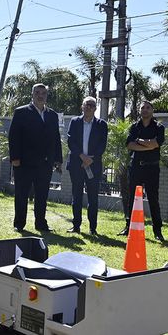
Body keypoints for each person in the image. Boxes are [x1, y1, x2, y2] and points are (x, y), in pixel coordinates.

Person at [8, 83, 63, 233]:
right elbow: (13, 137)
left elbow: (56, 137)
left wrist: (58, 159)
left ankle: (41, 224)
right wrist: (15, 157)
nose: (40, 95)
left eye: (43, 93)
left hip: (45, 163)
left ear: (46, 96)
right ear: (32, 94)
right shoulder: (21, 112)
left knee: (42, 195)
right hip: (24, 162)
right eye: (37, 93)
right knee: (21, 194)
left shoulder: (52, 115)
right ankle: (19, 224)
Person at [119, 101, 166, 241]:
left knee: (153, 198)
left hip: (152, 167)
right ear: (140, 110)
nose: (145, 110)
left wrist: (140, 142)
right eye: (142, 108)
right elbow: (130, 145)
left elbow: (156, 143)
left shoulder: (159, 127)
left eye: (148, 108)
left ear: (152, 110)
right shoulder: (134, 127)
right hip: (136, 167)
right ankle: (128, 227)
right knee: (132, 198)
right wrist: (149, 145)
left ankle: (157, 231)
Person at [66, 96, 108, 235]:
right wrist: (82, 156)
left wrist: (91, 159)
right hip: (76, 165)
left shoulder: (102, 124)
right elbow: (71, 141)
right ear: (82, 107)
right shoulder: (74, 122)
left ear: (95, 108)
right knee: (76, 196)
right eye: (86, 104)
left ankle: (92, 228)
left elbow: (102, 144)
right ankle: (76, 226)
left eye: (92, 105)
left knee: (93, 198)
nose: (89, 107)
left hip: (93, 165)